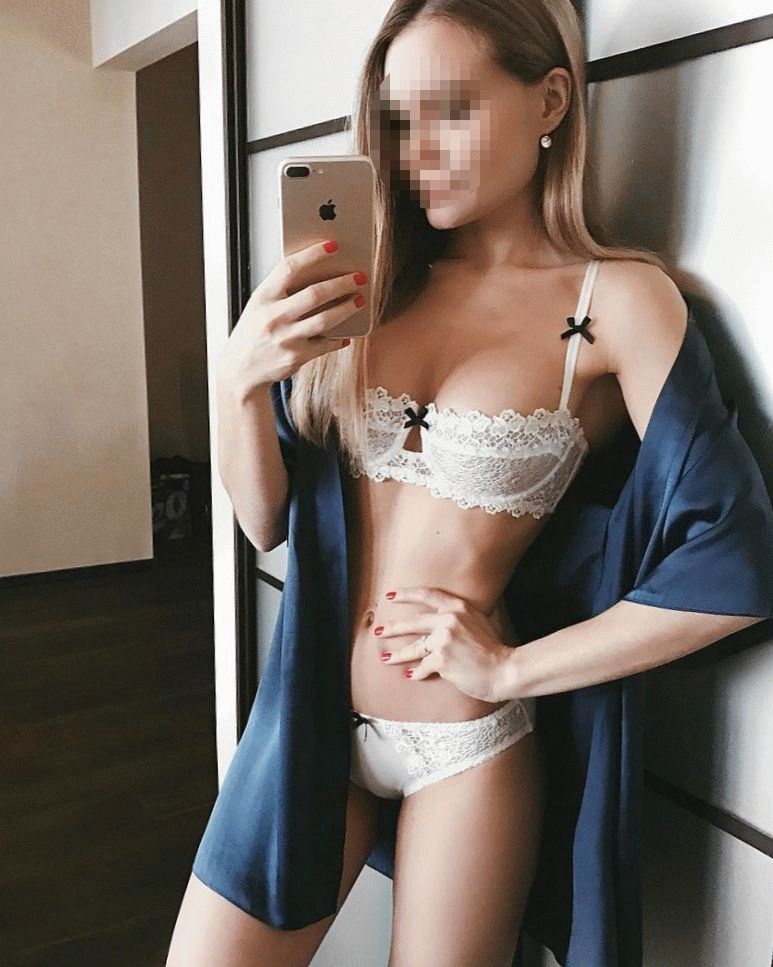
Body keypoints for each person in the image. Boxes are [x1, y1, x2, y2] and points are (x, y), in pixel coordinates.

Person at [166, 2, 772, 966]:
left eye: (453, 110)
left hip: (467, 751)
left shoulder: (614, 301)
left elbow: (735, 564)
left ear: (550, 100)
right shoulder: (368, 285)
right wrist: (237, 382)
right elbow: (265, 520)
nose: (417, 153)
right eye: (400, 120)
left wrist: (509, 671)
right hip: (310, 715)